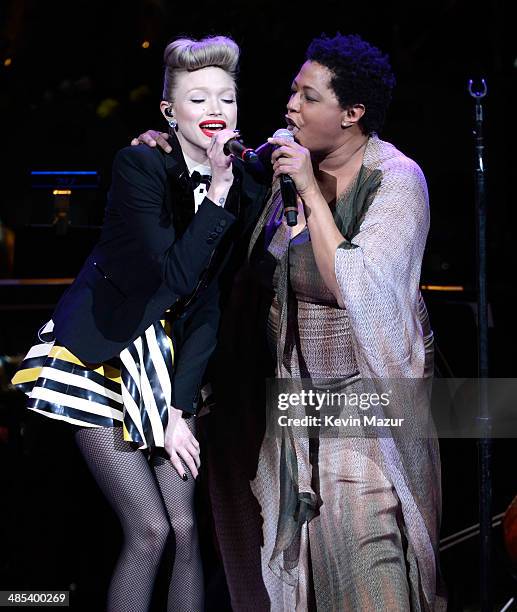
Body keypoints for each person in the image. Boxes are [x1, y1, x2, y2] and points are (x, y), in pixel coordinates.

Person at [136, 32, 446, 611]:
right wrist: (168, 145)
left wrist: (309, 191)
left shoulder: (397, 181)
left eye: (308, 97)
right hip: (270, 406)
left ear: (352, 114)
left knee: (364, 562)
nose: (290, 107)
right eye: (291, 92)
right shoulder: (276, 169)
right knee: (265, 573)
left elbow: (360, 289)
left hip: (363, 410)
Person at [12, 35, 268, 612]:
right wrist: (220, 191)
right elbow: (174, 277)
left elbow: (206, 304)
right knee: (149, 529)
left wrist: (178, 411)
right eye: (197, 99)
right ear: (167, 111)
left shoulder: (244, 184)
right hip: (103, 356)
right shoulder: (140, 166)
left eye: (225, 100)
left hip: (168, 369)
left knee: (184, 528)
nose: (214, 113)